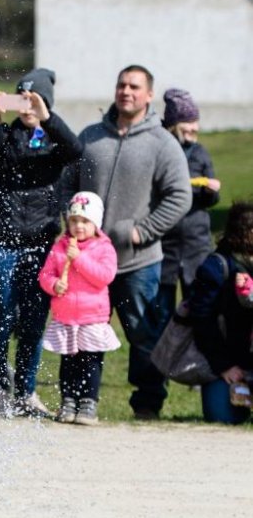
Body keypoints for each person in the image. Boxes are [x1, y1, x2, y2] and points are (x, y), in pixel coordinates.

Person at [71, 65, 191, 420]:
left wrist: (142, 231)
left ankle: (148, 403)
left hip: (137, 261)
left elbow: (180, 196)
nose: (126, 91)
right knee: (86, 332)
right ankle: (81, 400)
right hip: (89, 262)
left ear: (149, 95)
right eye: (122, 85)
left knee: (142, 334)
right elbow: (69, 181)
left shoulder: (162, 143)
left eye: (135, 87)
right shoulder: (91, 137)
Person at [0, 69, 82, 417]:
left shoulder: (54, 140)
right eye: (22, 98)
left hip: (40, 243)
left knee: (32, 322)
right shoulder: (3, 135)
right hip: (0, 243)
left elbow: (76, 150)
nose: (27, 106)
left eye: (35, 99)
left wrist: (48, 119)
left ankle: (26, 393)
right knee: (0, 318)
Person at [39, 192, 120, 425]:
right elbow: (45, 274)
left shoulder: (104, 248)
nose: (79, 226)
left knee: (90, 362)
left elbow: (104, 276)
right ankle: (68, 400)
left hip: (92, 317)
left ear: (95, 224)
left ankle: (88, 402)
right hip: (66, 317)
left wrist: (79, 259)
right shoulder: (59, 247)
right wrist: (55, 284)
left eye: (85, 221)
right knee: (68, 363)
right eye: (74, 221)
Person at [157, 88, 220, 313]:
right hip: (165, 246)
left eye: (196, 122)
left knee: (200, 308)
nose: (194, 128)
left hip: (197, 244)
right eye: (188, 122)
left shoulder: (201, 153)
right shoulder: (161, 148)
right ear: (173, 124)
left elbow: (212, 199)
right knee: (161, 312)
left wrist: (211, 192)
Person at [191, 201, 253, 425]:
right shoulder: (216, 267)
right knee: (222, 417)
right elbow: (202, 319)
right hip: (228, 360)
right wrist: (224, 365)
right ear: (244, 233)